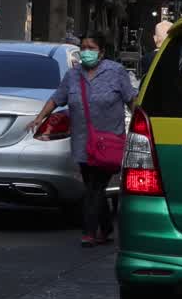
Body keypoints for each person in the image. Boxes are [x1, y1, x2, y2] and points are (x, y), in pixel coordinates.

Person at [29, 33, 136, 247]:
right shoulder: (73, 75)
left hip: (109, 141)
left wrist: (141, 125)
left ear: (102, 52)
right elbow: (57, 98)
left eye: (91, 47)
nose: (86, 51)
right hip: (82, 141)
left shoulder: (116, 73)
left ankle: (88, 231)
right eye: (84, 47)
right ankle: (104, 229)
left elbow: (131, 100)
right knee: (92, 185)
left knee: (95, 186)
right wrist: (39, 118)